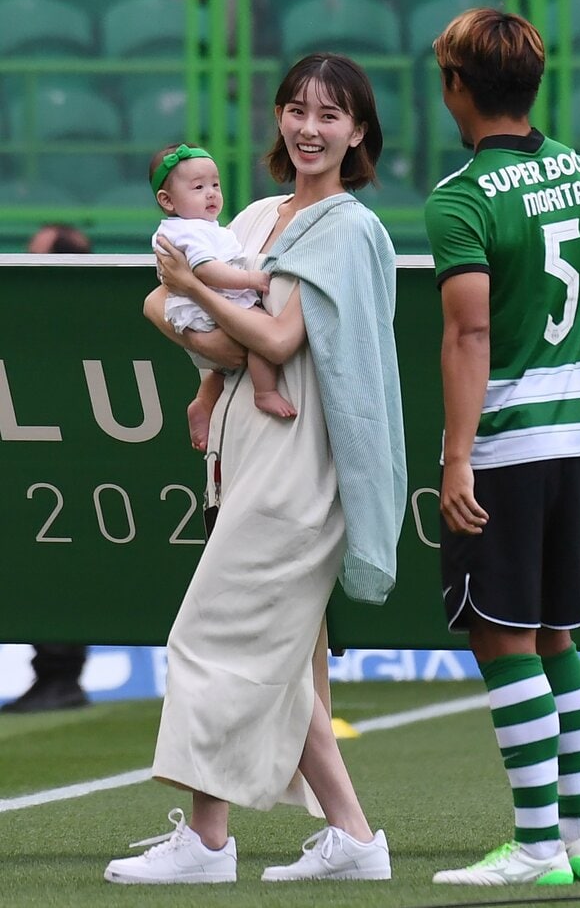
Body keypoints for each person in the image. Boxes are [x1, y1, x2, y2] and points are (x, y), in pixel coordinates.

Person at [104, 52, 406, 885]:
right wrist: (199, 325)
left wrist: (189, 303)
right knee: (276, 657)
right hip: (245, 452)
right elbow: (173, 308)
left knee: (212, 636)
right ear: (278, 117)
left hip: (301, 461)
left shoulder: (347, 227)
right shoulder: (256, 214)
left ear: (358, 132)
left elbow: (271, 340)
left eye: (330, 115)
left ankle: (206, 842)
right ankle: (353, 838)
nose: (309, 128)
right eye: (296, 109)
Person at [423, 9, 580, 887]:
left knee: (501, 636)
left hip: (504, 444)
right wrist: (575, 392)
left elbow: (467, 335)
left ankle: (535, 843)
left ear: (455, 86)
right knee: (553, 634)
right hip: (571, 433)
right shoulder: (577, 170)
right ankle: (578, 838)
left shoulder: (460, 196)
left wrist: (456, 454)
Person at [150, 141, 297, 453]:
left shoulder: (202, 227)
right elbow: (206, 272)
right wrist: (249, 279)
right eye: (199, 187)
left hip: (203, 306)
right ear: (167, 200)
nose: (211, 193)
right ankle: (265, 391)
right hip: (209, 307)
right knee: (259, 333)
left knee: (222, 367)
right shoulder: (190, 232)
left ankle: (204, 402)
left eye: (215, 184)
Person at [1, 223, 93, 714]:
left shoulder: (74, 322)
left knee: (62, 556)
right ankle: (53, 673)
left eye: (34, 254)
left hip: (71, 464)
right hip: (34, 458)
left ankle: (62, 673)